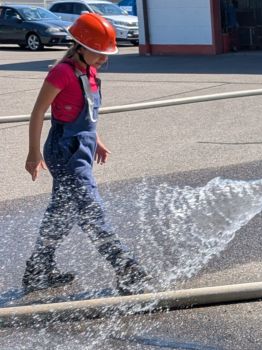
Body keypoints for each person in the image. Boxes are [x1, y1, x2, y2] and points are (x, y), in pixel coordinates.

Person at [23, 13, 151, 296]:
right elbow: (37, 112)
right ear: (80, 46)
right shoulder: (62, 73)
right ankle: (126, 269)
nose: (104, 58)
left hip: (81, 145)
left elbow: (89, 113)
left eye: (106, 54)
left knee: (63, 212)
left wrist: (97, 140)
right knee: (91, 210)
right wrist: (33, 154)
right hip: (63, 149)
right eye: (98, 52)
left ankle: (37, 270)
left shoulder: (90, 72)